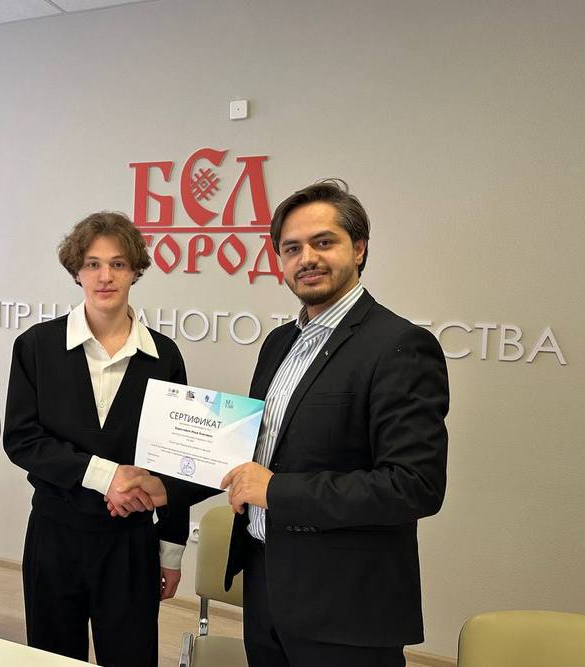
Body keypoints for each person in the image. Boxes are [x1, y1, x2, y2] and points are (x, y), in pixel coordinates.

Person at [220, 179, 449, 667]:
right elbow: (264, 451)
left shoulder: (399, 346)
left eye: (323, 242)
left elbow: (414, 485)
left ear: (359, 248)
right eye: (292, 248)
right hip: (267, 586)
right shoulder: (279, 343)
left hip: (346, 608)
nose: (307, 258)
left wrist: (275, 490)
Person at [3, 211, 195, 666]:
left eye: (118, 264)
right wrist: (107, 477)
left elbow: (177, 457)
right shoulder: (36, 346)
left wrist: (171, 551)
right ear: (76, 271)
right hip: (54, 535)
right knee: (52, 658)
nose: (105, 276)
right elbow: (22, 439)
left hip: (131, 543)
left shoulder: (164, 356)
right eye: (93, 264)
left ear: (135, 271)